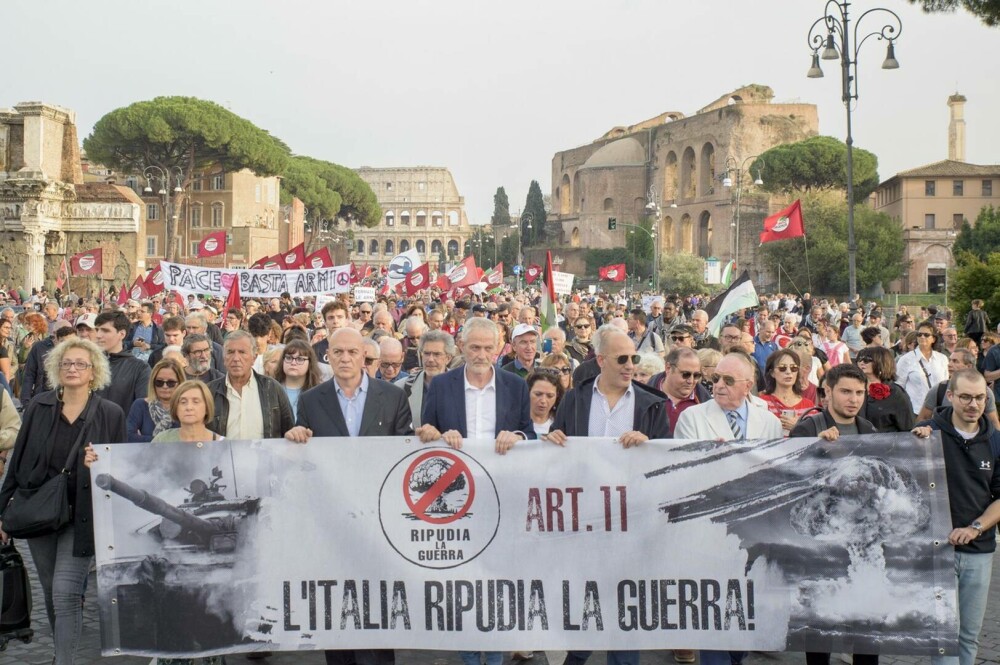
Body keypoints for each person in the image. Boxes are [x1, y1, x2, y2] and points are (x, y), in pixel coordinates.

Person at [544, 326, 670, 665]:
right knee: (589, 597)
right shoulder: (575, 398)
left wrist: (651, 446)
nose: (630, 365)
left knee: (625, 600)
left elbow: (669, 460)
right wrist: (554, 440)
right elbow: (562, 450)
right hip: (585, 519)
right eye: (622, 358)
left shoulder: (652, 404)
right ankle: (576, 655)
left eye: (634, 358)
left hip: (634, 519)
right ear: (601, 360)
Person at [0, 338, 125, 665]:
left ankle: (63, 660)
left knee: (66, 593)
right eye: (66, 363)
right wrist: (1, 511)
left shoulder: (110, 413)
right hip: (39, 512)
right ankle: (61, 652)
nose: (72, 368)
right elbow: (17, 462)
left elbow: (122, 467)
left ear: (93, 371)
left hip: (83, 516)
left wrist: (100, 464)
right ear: (56, 368)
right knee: (52, 592)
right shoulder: (39, 407)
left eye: (80, 363)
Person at [913, 369, 1000, 665]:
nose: (973, 404)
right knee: (942, 635)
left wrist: (975, 528)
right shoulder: (927, 433)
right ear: (950, 396)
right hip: (936, 550)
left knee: (969, 635)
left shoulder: (996, 440)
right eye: (965, 397)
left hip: (979, 550)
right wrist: (915, 443)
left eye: (979, 397)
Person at [417, 317, 535, 455]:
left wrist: (518, 437)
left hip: (501, 471)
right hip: (457, 470)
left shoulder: (516, 386)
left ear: (496, 347)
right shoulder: (440, 385)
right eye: (475, 348)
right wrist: (438, 435)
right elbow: (427, 432)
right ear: (462, 345)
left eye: (488, 348)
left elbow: (529, 433)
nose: (481, 355)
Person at [205, 330, 294, 439]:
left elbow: (289, 430)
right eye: (230, 352)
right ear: (224, 358)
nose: (236, 358)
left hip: (264, 455)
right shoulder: (210, 392)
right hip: (222, 455)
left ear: (254, 358)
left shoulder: (272, 389)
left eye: (242, 352)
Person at [918, 349, 1000, 430]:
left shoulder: (985, 392)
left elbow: (993, 422)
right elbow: (923, 419)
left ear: (969, 366)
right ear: (950, 395)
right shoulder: (939, 389)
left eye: (955, 361)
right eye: (965, 397)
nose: (949, 364)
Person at [94, 311, 152, 416]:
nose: (98, 335)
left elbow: (142, 409)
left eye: (105, 331)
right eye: (97, 330)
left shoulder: (140, 368)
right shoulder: (86, 364)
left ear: (121, 334)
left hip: (121, 430)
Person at [401, 330, 455, 429]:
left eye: (437, 354)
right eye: (426, 353)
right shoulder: (402, 387)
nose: (430, 359)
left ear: (448, 358)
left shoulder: (461, 386)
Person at [896, 322, 950, 416]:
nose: (922, 337)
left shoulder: (942, 359)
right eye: (919, 334)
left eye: (926, 335)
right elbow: (899, 387)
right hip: (915, 411)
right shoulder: (906, 359)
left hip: (938, 412)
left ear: (933, 338)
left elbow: (945, 385)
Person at [126, 358, 184, 442]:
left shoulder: (186, 408)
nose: (165, 386)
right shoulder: (140, 405)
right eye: (159, 382)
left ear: (180, 382)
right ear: (152, 382)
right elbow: (129, 437)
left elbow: (189, 439)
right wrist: (169, 441)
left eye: (170, 383)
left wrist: (143, 438)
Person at [760, 348, 815, 435]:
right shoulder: (762, 403)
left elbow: (814, 437)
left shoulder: (809, 406)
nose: (789, 372)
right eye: (782, 368)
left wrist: (798, 427)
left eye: (793, 368)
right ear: (772, 373)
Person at [274, 339, 322, 421]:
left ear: (310, 363)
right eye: (288, 358)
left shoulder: (319, 393)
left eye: (300, 359)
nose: (293, 363)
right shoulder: (271, 389)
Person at [526, 369, 565, 436]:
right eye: (538, 394)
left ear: (557, 396)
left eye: (550, 396)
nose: (543, 401)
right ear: (528, 392)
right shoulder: (514, 421)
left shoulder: (563, 424)